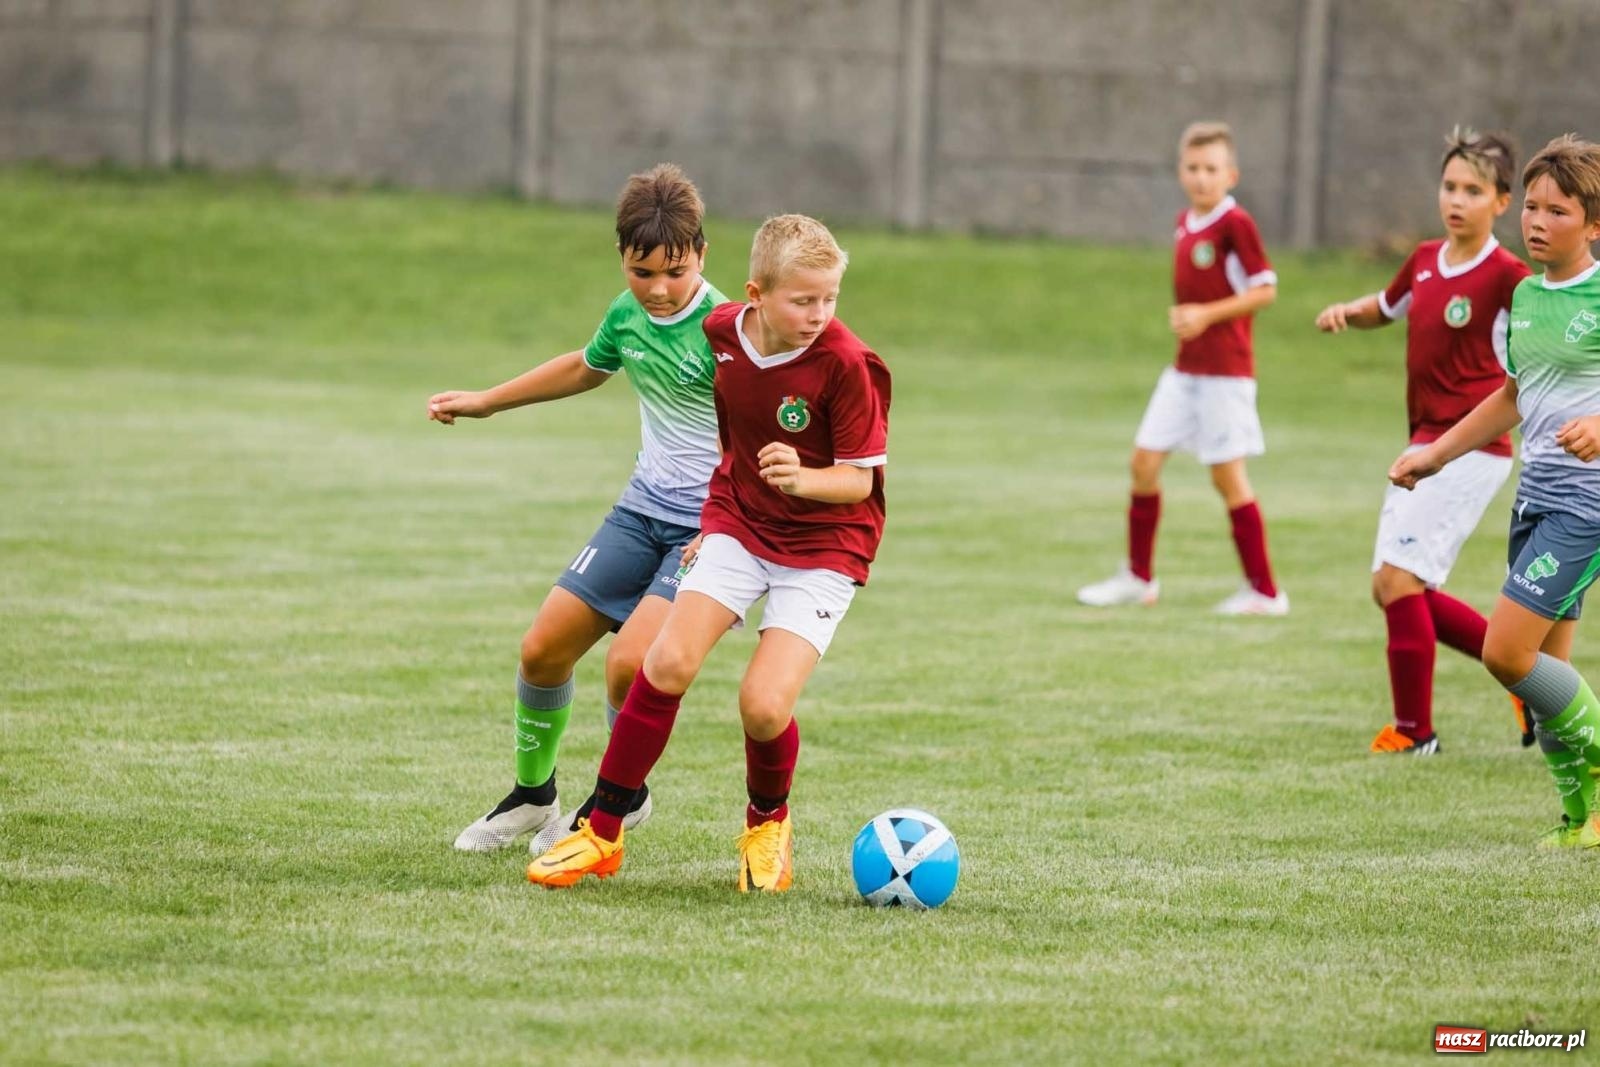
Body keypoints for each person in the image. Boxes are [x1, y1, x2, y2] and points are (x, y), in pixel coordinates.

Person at [527, 214, 891, 891]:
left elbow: (859, 481)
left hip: (824, 547)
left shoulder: (848, 364)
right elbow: (730, 429)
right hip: (740, 525)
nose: (819, 315)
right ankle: (601, 832)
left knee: (763, 705)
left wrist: (802, 478)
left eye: (829, 299)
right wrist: (720, 511)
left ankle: (768, 824)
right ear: (756, 294)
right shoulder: (723, 334)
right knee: (664, 662)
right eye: (802, 300)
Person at [428, 163, 725, 855]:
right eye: (641, 271)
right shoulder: (627, 313)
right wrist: (486, 400)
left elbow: (761, 432)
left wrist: (723, 524)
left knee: (630, 662)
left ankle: (623, 797)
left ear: (702, 254)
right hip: (641, 509)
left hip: (708, 528)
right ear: (621, 256)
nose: (657, 289)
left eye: (675, 272)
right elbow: (587, 365)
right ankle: (533, 796)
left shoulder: (727, 331)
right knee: (542, 648)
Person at [1390, 134, 1600, 847]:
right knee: (1548, 674)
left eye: (1558, 211)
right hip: (1535, 497)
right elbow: (1512, 396)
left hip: (1586, 504)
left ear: (1593, 226)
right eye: (1532, 207)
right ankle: (1582, 818)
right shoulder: (1529, 295)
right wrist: (1435, 455)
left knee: (1506, 653)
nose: (1537, 222)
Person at [1315, 130, 1532, 755]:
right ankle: (1523, 674)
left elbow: (1540, 356)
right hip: (1423, 443)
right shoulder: (1424, 258)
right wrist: (1348, 312)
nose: (1456, 200)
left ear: (1501, 201)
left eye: (1473, 191)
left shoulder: (1509, 277)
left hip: (1470, 449)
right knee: (1393, 587)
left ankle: (1415, 733)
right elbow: (1388, 306)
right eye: (1449, 187)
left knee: (1400, 580)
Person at [1078, 121, 1286, 615]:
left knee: (1228, 479)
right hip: (1184, 372)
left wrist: (1206, 315)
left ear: (1231, 175)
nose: (1201, 177)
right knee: (1143, 463)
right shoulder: (1184, 221)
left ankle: (1264, 593)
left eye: (1211, 169)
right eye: (1193, 168)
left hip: (1225, 376)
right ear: (1180, 171)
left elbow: (1265, 290)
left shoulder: (1236, 224)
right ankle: (1138, 579)